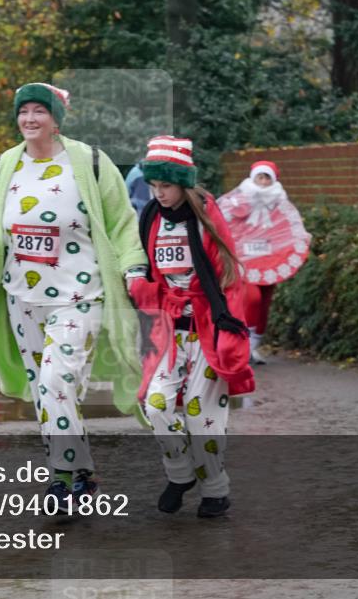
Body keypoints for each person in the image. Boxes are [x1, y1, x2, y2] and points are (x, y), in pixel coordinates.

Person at [0, 82, 146, 514]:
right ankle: (80, 472)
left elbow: (122, 222)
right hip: (21, 297)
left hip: (80, 294)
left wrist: (133, 267)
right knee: (46, 391)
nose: (29, 119)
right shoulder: (4, 165)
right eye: (23, 112)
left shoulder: (90, 162)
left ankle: (61, 479)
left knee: (54, 382)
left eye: (38, 112)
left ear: (56, 119)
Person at [126, 135, 255, 519]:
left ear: (183, 182)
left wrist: (231, 330)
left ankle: (215, 490)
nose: (159, 193)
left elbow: (230, 277)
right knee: (157, 404)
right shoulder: (150, 216)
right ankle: (180, 474)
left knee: (202, 416)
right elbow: (149, 275)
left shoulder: (207, 217)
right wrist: (140, 287)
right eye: (154, 185)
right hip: (168, 330)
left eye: (166, 185)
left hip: (207, 330)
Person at [217, 160, 311, 364]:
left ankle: (253, 346)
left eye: (267, 177)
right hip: (244, 263)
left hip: (269, 261)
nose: (263, 181)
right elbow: (223, 224)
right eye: (260, 176)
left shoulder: (280, 203)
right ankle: (245, 345)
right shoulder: (238, 200)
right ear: (253, 177)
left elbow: (288, 230)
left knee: (265, 303)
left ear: (273, 180)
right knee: (252, 299)